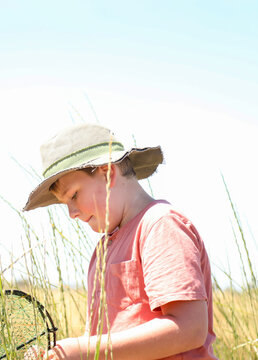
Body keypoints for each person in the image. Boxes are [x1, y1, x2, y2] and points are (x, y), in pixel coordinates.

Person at [23, 124, 217, 359]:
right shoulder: (103, 250)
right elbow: (105, 342)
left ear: (107, 174)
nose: (71, 213)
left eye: (74, 195)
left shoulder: (160, 225)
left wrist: (84, 350)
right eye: (65, 203)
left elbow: (190, 329)